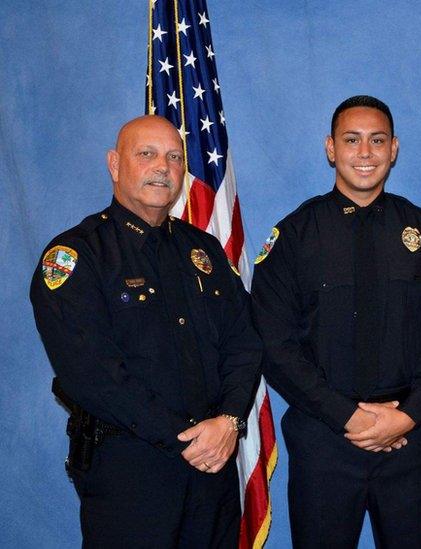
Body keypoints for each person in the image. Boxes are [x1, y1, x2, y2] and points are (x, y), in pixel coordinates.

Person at [29, 115, 262, 547]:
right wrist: (189, 438)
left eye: (175, 157)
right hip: (130, 474)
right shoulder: (76, 256)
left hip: (212, 468)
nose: (163, 167)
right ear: (115, 165)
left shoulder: (203, 249)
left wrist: (229, 419)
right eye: (147, 154)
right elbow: (92, 376)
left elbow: (244, 343)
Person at [250, 95, 421, 548]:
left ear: (394, 149)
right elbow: (275, 344)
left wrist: (407, 415)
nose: (364, 153)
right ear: (331, 148)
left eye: (377, 141)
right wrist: (346, 416)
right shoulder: (294, 237)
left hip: (408, 439)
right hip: (323, 439)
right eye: (352, 140)